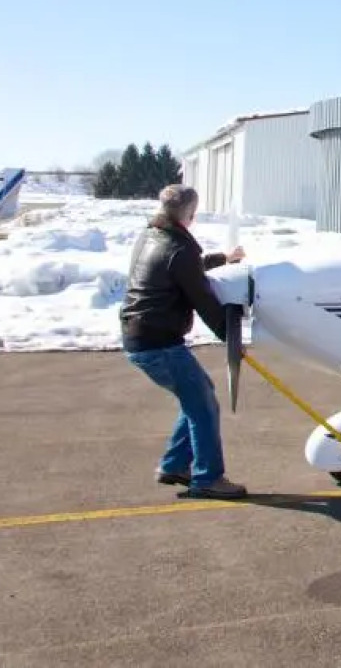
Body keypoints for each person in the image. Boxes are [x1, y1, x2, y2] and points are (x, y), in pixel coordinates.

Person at [120, 184, 249, 499]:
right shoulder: (179, 247)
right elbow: (202, 297)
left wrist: (222, 259)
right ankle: (207, 478)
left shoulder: (151, 236)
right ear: (189, 214)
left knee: (197, 398)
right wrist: (230, 337)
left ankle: (175, 465)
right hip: (158, 344)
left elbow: (183, 270)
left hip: (140, 337)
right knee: (204, 406)